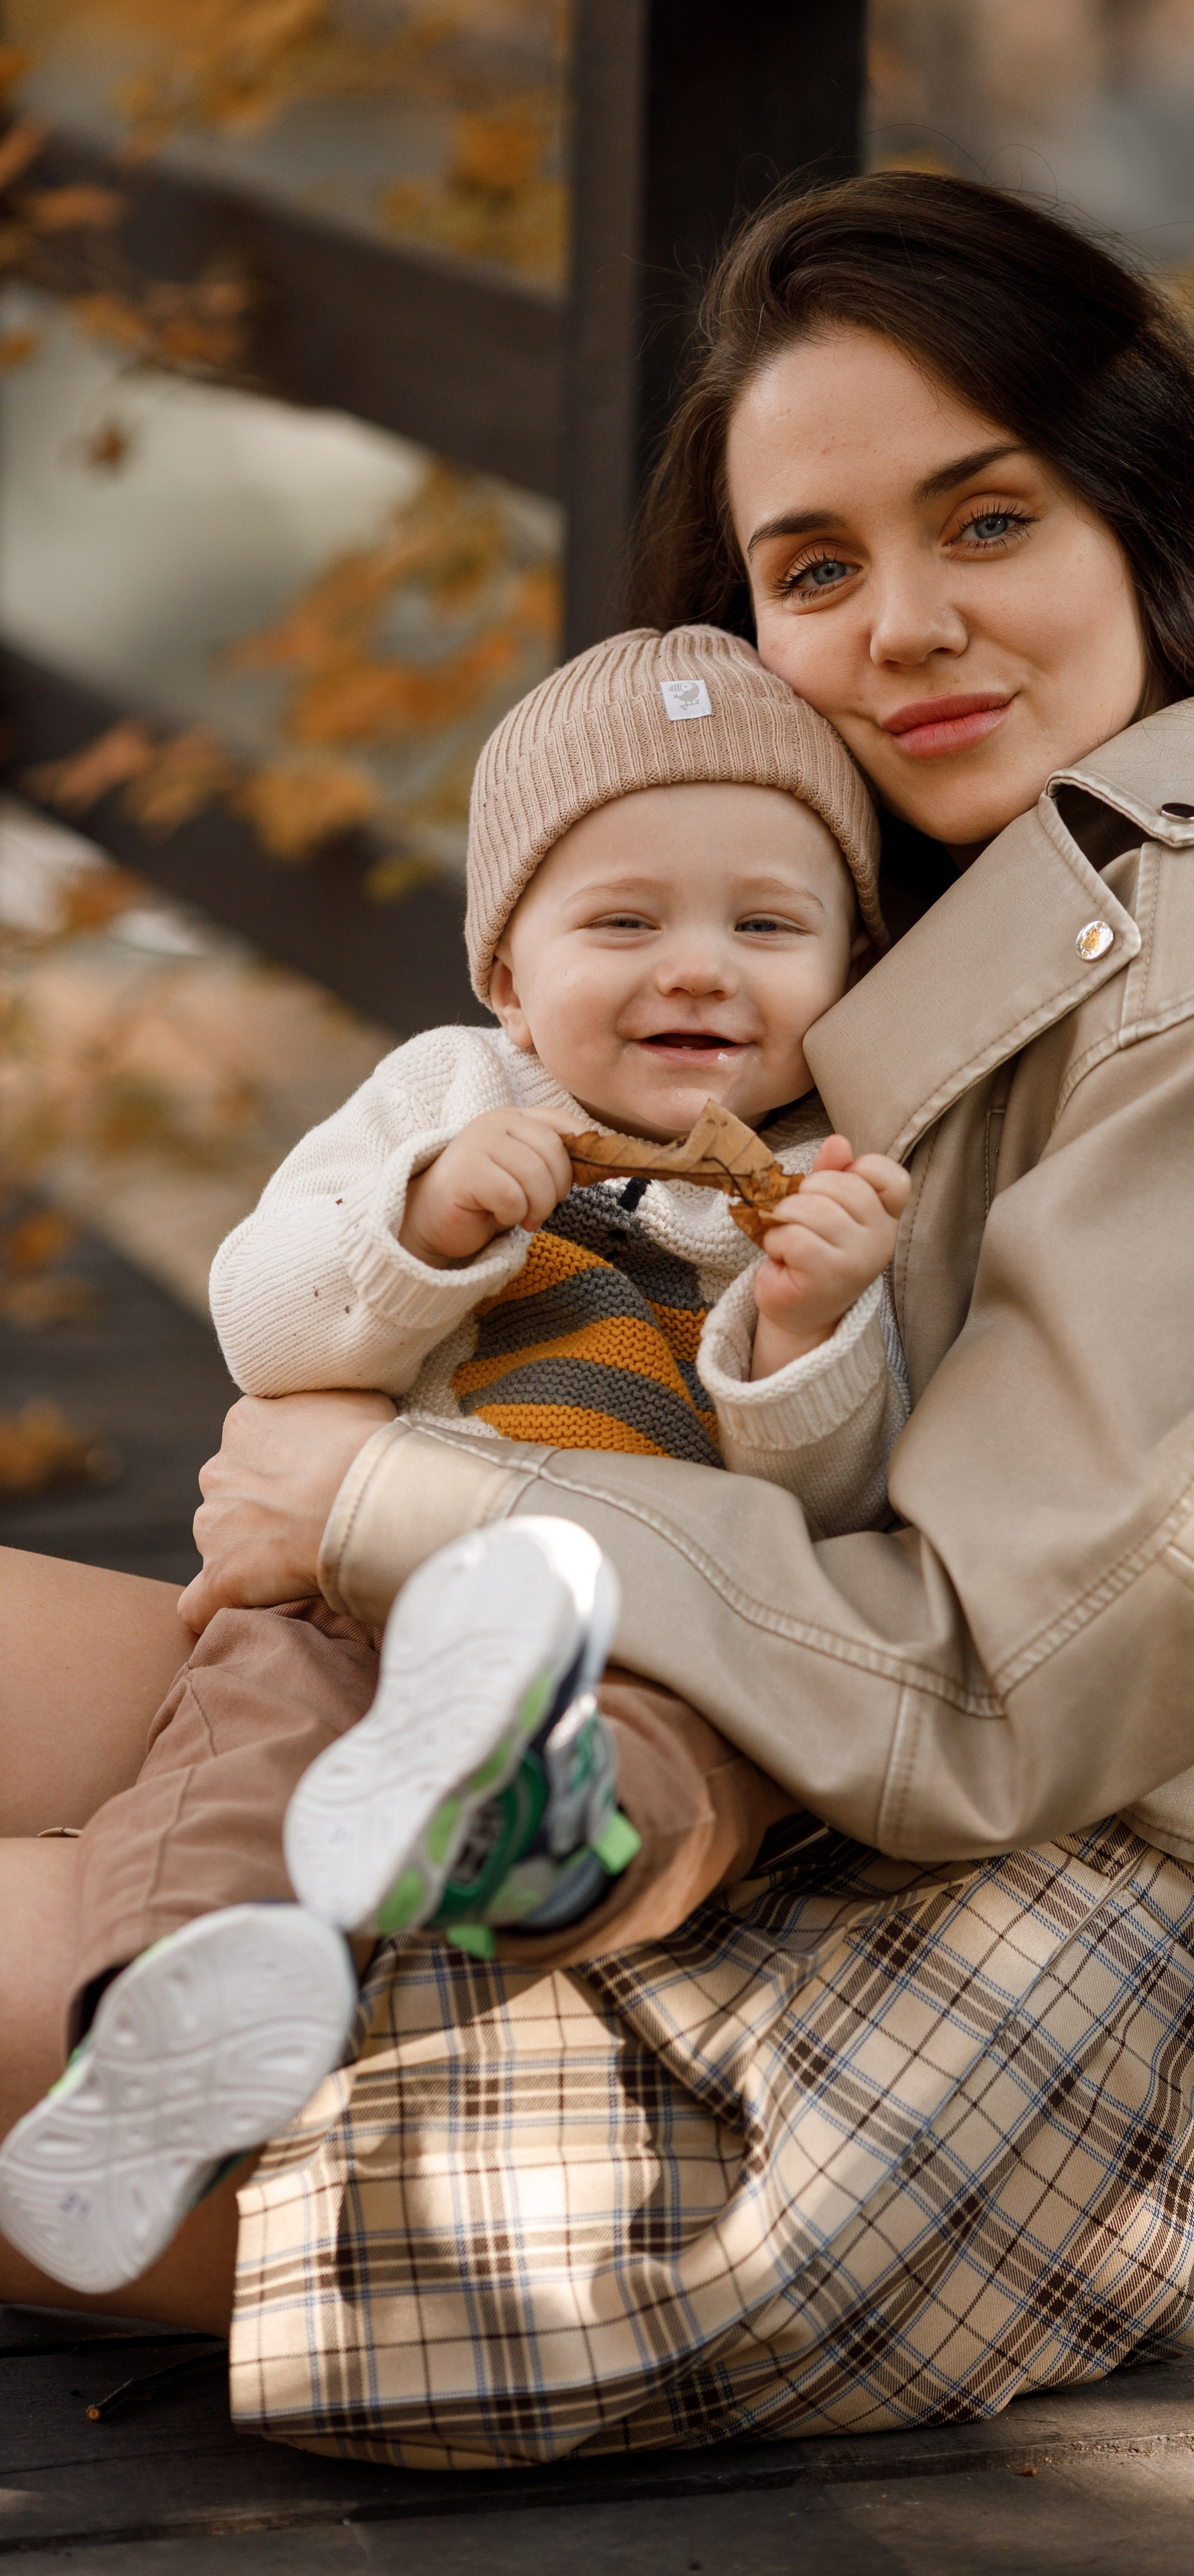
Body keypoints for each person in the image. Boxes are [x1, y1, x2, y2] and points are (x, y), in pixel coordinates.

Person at [0, 174, 1194, 2468]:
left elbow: (974, 1684)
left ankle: (182, 2010)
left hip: (858, 2044)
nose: (905, 631)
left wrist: (392, 1487)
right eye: (817, 567)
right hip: (669, 1799)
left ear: (1141, 515)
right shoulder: (1001, 886)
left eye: (988, 520)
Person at [0, 625, 915, 2298]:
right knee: (232, 1744)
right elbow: (261, 1326)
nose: (698, 967)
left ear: (848, 966)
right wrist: (418, 1223)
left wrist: (803, 1331)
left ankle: (527, 1828)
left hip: (647, 1642)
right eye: (623, 922)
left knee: (697, 1759)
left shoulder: (822, 1184)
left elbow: (830, 1508)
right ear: (506, 971)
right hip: (351, 1590)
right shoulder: (446, 1093)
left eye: (767, 926)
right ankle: (152, 2046)